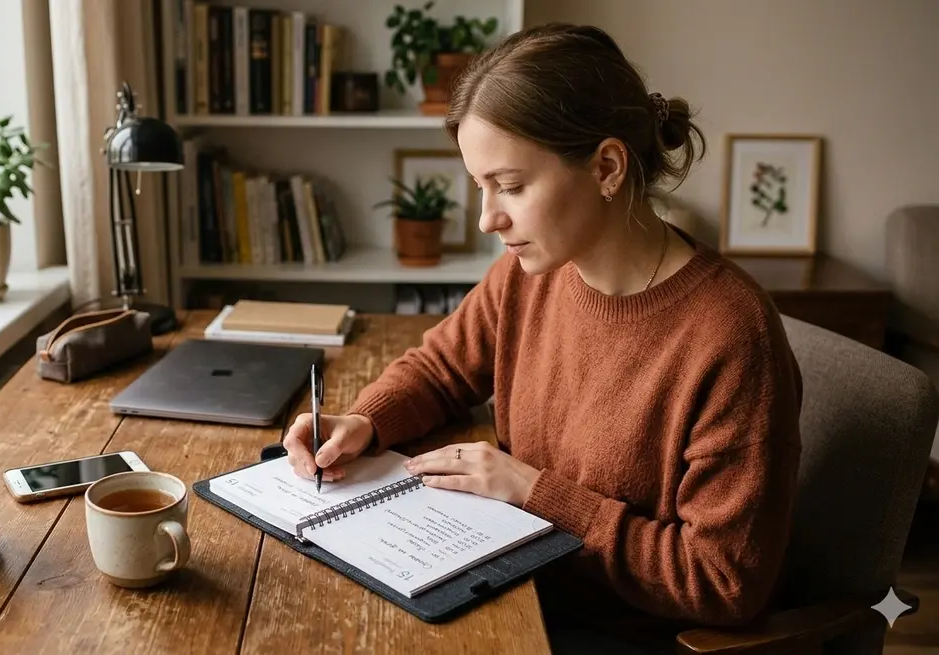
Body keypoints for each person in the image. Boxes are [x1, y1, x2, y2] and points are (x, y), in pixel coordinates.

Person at [282, 21, 802, 653]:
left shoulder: (730, 336)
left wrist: (533, 493)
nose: (487, 218)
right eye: (481, 187)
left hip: (611, 633)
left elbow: (722, 582)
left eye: (511, 186)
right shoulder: (530, 275)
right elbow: (442, 367)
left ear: (607, 166)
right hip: (506, 583)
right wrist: (364, 421)